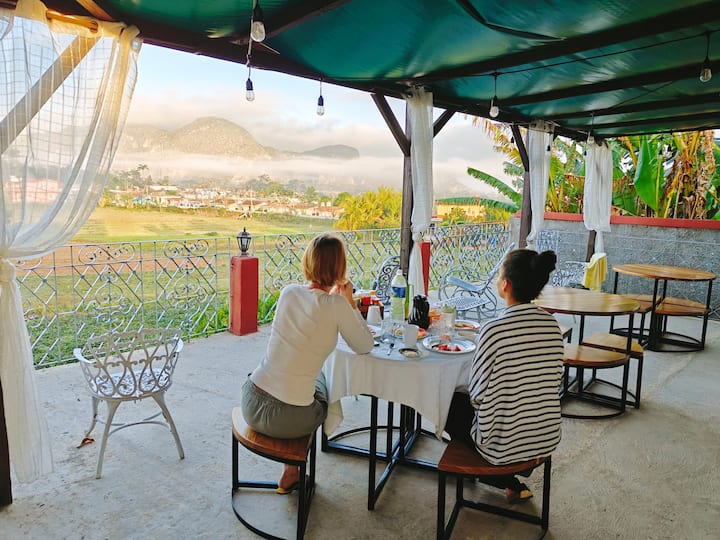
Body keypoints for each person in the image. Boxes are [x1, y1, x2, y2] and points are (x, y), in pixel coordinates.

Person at [241, 233, 374, 493]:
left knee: (299, 377)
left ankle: (290, 472)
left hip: (251, 401)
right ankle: (293, 468)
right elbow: (364, 346)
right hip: (289, 419)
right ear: (340, 267)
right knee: (321, 382)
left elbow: (309, 317)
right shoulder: (337, 305)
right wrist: (349, 303)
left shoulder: (289, 293)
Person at [444, 249, 564, 503]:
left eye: (499, 276)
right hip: (545, 436)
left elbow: (477, 395)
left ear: (505, 284)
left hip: (502, 446)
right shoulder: (552, 325)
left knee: (447, 402)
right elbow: (556, 379)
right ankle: (511, 478)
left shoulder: (494, 330)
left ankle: (497, 475)